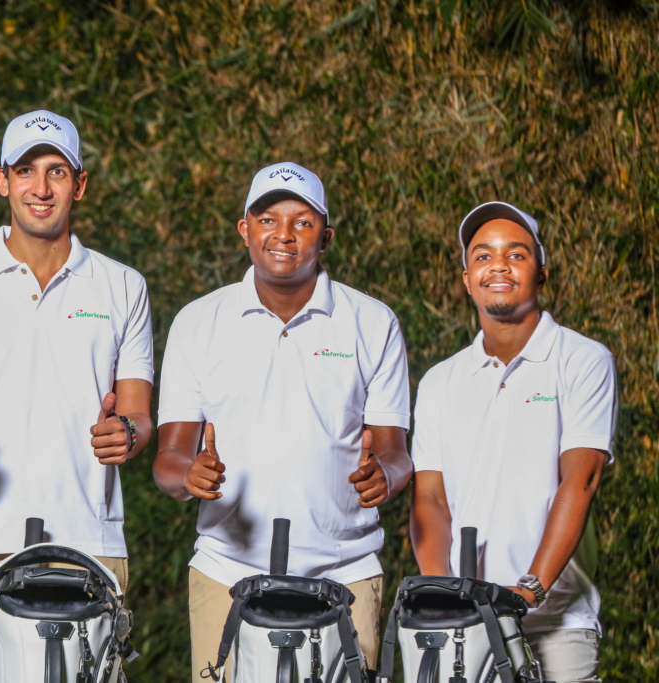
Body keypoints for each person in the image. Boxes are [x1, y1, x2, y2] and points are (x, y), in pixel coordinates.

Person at [0, 110, 155, 682]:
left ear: (80, 184)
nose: (40, 188)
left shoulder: (123, 285)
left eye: (57, 171)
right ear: (2, 180)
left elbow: (138, 414)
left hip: (87, 543)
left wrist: (130, 435)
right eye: (25, 171)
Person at [153, 162, 413, 681]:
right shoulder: (199, 321)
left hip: (344, 571)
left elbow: (396, 453)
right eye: (268, 219)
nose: (284, 235)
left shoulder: (372, 322)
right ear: (245, 229)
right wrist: (188, 475)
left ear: (326, 236)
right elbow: (167, 459)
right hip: (226, 570)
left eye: (303, 222)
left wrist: (384, 475)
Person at [410, 202, 616, 683]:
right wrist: (443, 591)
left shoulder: (584, 360)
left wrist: (529, 590)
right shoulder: (441, 381)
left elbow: (579, 482)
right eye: (483, 256)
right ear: (466, 278)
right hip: (465, 622)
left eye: (516, 254)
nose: (498, 265)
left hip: (557, 621)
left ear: (541, 272)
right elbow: (430, 497)